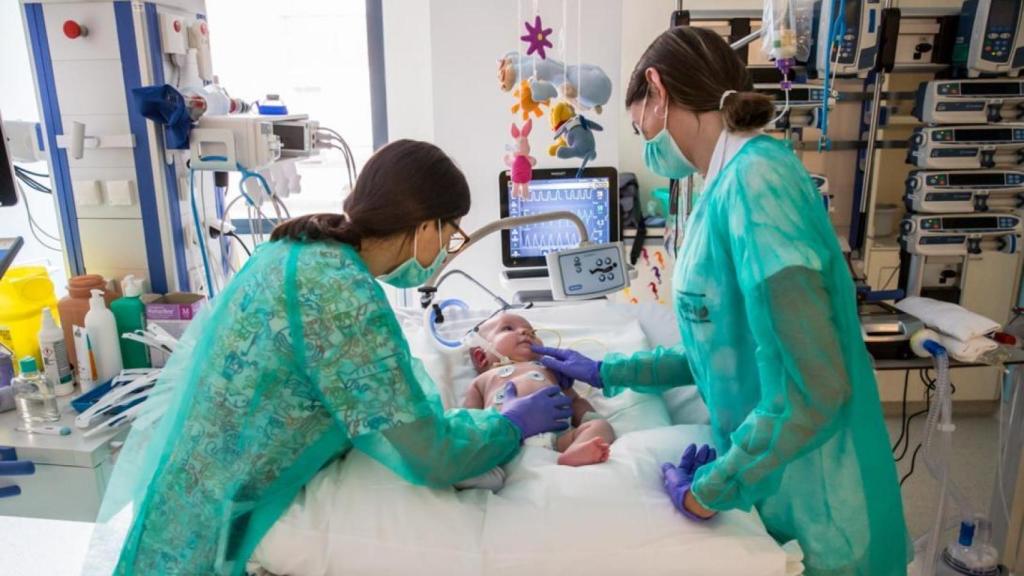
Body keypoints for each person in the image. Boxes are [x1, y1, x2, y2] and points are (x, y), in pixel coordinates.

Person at [93, 140, 573, 575]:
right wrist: (509, 424)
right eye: (451, 236)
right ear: (426, 226)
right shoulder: (345, 298)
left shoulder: (295, 250)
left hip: (190, 485)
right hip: (221, 516)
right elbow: (429, 454)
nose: (446, 252)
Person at [533, 27, 909, 576]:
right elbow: (720, 346)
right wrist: (609, 370)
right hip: (774, 483)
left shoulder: (759, 186)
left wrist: (710, 490)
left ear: (658, 91)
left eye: (641, 126)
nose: (648, 143)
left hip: (825, 504)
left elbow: (817, 388)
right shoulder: (725, 186)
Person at [462, 313, 613, 475]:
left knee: (600, 426)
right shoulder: (482, 381)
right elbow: (470, 420)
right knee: (479, 462)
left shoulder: (550, 370)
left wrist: (589, 418)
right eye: (507, 328)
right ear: (481, 356)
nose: (525, 332)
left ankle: (576, 451)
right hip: (508, 442)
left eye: (532, 332)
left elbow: (575, 401)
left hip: (558, 440)